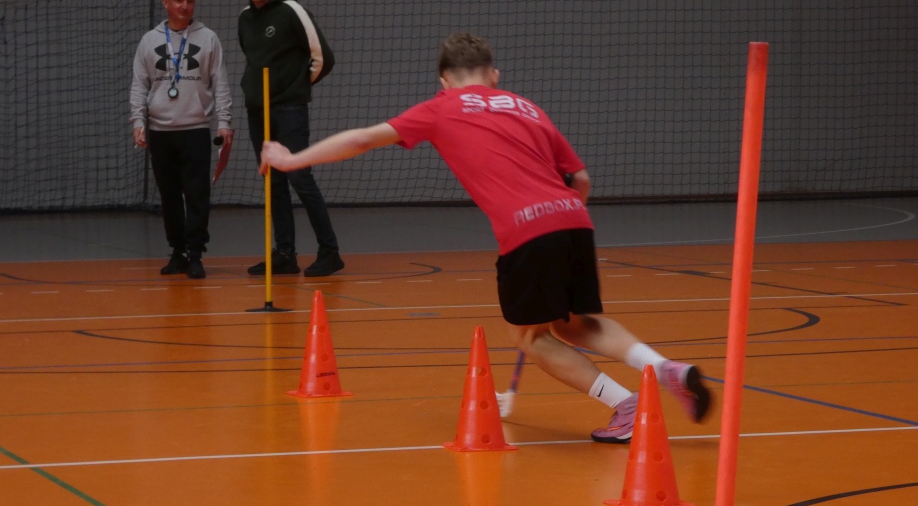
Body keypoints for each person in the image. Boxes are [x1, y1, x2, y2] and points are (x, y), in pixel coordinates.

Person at [260, 32, 712, 443]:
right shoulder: (527, 107)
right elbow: (581, 179)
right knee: (576, 323)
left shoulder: (441, 107)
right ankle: (665, 367)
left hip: (528, 230)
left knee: (531, 338)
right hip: (574, 220)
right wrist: (559, 214)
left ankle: (626, 405)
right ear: (494, 74)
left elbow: (362, 139)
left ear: (443, 81)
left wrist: (292, 159)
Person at [237, 0, 344, 278]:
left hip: (289, 109)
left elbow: (323, 58)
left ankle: (329, 251)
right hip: (258, 111)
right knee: (273, 180)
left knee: (300, 177)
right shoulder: (244, 18)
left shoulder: (292, 11)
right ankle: (284, 253)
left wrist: (295, 87)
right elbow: (254, 61)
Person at [130, 0, 233, 279]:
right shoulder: (149, 40)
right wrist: (138, 122)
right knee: (169, 196)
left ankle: (196, 253)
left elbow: (221, 84)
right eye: (179, 0)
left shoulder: (208, 38)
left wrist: (224, 123)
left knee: (197, 194)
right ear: (166, 3)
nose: (185, 6)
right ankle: (177, 252)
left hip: (195, 128)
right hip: (160, 131)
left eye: (190, 1)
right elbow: (139, 85)